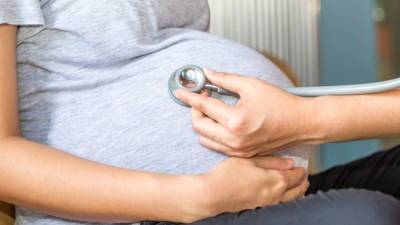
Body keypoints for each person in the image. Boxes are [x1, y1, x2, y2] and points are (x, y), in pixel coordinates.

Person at [0, 1, 399, 225]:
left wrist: (303, 119)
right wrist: (195, 197)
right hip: (148, 216)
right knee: (365, 217)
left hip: (258, 196)